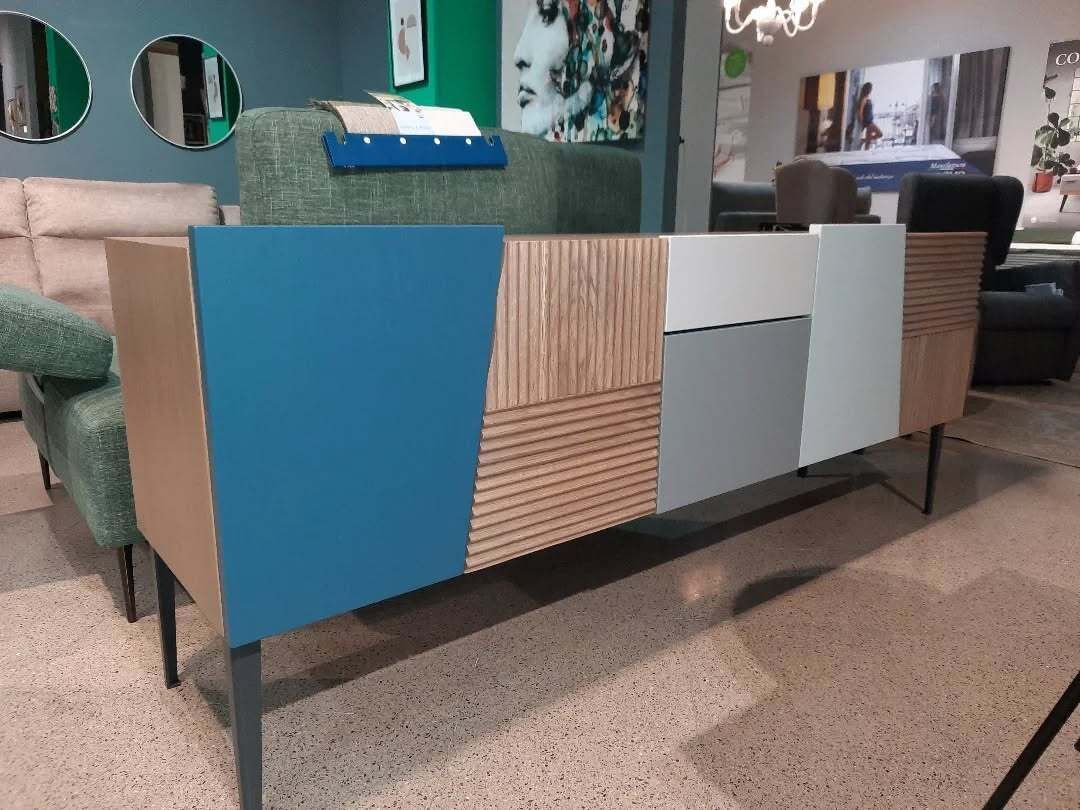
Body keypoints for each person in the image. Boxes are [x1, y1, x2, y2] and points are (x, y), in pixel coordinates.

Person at [856, 82, 882, 150]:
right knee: (880, 134)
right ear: (867, 89)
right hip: (868, 122)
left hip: (870, 120)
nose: (871, 90)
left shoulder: (868, 99)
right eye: (870, 89)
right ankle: (863, 140)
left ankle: (863, 143)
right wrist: (862, 122)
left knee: (868, 142)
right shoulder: (864, 99)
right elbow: (860, 112)